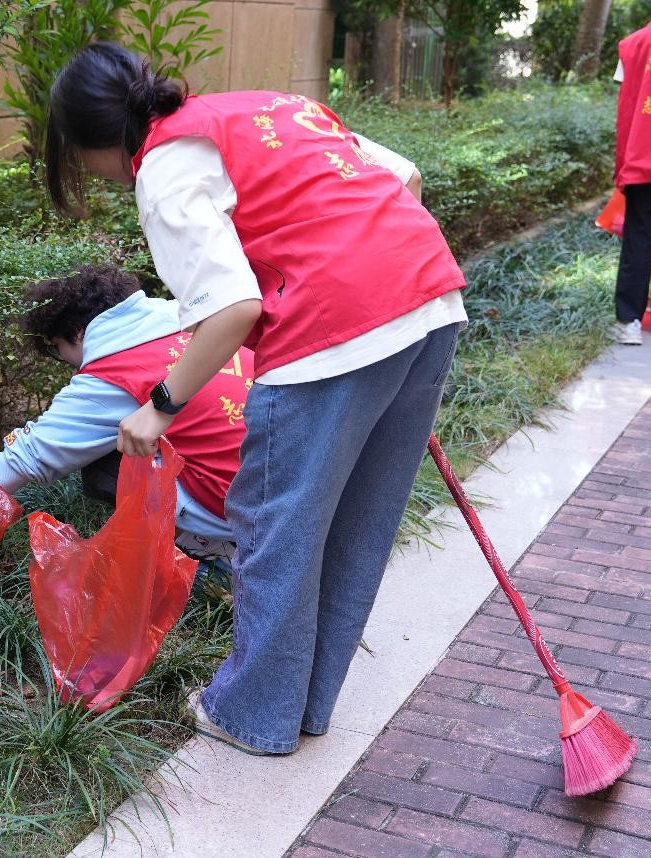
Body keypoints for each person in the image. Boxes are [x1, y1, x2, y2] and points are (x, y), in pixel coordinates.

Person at [45, 42, 466, 754]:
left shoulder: (163, 168)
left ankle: (252, 716)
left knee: (275, 525)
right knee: (356, 525)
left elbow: (232, 308)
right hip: (429, 301)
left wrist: (159, 405)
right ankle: (303, 705)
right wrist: (390, 308)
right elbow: (406, 178)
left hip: (332, 332)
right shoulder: (267, 106)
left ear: (90, 144)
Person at [0, 264, 254, 571]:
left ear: (78, 333)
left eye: (58, 348)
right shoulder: (197, 320)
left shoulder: (110, 373)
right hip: (282, 484)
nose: (66, 360)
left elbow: (20, 460)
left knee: (111, 458)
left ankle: (208, 547)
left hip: (236, 506)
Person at [612, 24, 651, 346]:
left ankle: (630, 322)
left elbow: (626, 107)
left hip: (642, 157)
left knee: (639, 237)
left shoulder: (633, 45)